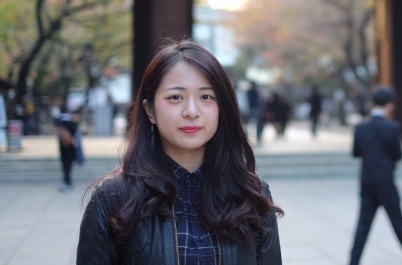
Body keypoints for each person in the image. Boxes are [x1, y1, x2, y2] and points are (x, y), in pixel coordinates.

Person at [77, 39, 283, 265]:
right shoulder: (113, 198)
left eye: (206, 97)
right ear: (150, 110)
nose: (192, 111)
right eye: (175, 97)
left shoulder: (251, 194)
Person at [349, 85, 402, 265]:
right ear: (389, 104)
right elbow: (398, 155)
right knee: (398, 221)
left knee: (363, 224)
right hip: (386, 181)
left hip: (366, 180)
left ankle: (353, 262)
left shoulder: (361, 127)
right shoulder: (393, 127)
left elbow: (356, 152)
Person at [56, 109, 78, 191]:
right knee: (68, 165)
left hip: (63, 148)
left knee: (65, 165)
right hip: (71, 148)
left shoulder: (60, 124)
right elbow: (75, 135)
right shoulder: (72, 124)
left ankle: (66, 180)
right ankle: (67, 180)